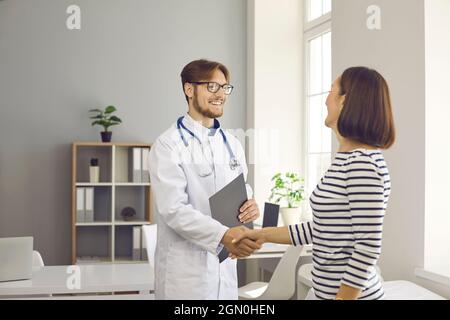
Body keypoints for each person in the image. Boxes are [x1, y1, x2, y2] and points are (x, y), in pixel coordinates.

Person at [232, 66, 395, 300]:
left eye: (331, 91)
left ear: (344, 101)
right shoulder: (345, 160)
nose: (325, 100)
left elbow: (367, 248)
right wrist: (264, 235)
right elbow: (321, 229)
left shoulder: (362, 163)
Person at [149, 59, 261, 300]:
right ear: (189, 90)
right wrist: (223, 236)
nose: (221, 94)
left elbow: (242, 189)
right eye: (212, 86)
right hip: (186, 276)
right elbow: (174, 210)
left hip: (225, 271)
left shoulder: (233, 144)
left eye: (225, 87)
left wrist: (250, 204)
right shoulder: (168, 145)